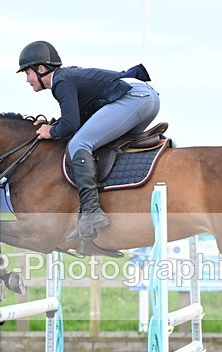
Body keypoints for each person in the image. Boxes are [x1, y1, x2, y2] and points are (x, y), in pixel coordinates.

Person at [17, 41, 161, 241]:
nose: (27, 79)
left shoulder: (61, 82)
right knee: (101, 144)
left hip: (134, 98)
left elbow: (70, 125)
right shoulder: (67, 77)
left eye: (27, 73)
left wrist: (53, 130)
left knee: (79, 144)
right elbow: (80, 120)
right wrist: (54, 124)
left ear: (41, 69)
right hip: (146, 98)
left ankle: (92, 212)